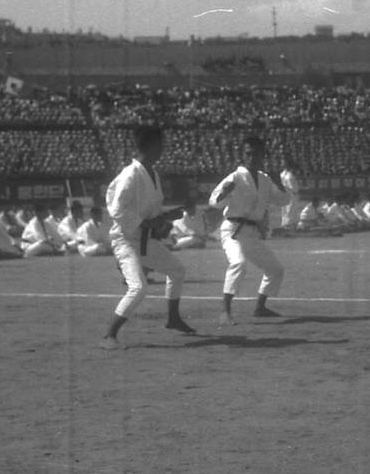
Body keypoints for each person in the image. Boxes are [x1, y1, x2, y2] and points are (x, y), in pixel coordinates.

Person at [100, 124, 194, 349]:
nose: (163, 148)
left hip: (145, 239)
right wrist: (148, 223)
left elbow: (151, 211)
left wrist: (168, 215)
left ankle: (173, 319)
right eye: (160, 144)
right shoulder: (130, 174)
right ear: (150, 145)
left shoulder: (152, 173)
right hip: (126, 240)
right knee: (139, 287)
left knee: (177, 270)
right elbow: (117, 209)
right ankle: (109, 335)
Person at [209, 135, 291, 324]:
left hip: (252, 233)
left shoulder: (265, 179)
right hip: (233, 231)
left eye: (256, 154)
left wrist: (279, 183)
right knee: (238, 263)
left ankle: (260, 307)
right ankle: (225, 311)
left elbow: (284, 200)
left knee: (276, 269)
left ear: (263, 155)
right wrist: (224, 193)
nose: (252, 157)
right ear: (243, 155)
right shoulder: (236, 177)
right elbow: (213, 202)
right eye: (248, 154)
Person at [279, 158, 303, 232]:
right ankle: (289, 226)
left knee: (285, 210)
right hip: (291, 194)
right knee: (291, 210)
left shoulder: (282, 173)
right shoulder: (290, 176)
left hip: (285, 193)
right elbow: (294, 188)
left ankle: (285, 224)